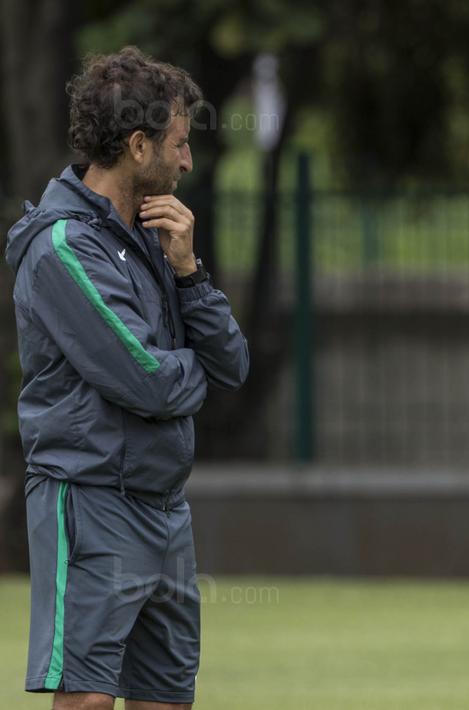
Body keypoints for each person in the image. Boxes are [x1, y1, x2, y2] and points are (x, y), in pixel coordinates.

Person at [7, 47, 249, 709]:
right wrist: (188, 370)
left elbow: (232, 363)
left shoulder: (157, 233)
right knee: (86, 698)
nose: (188, 160)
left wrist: (190, 273)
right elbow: (149, 382)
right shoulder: (60, 246)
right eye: (178, 143)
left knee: (166, 698)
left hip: (164, 505)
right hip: (90, 500)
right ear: (138, 146)